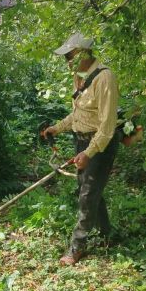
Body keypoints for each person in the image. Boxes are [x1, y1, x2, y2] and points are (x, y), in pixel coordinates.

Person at [42, 32, 120, 266]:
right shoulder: (79, 77)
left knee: (87, 194)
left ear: (83, 53)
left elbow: (107, 127)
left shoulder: (104, 78)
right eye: (66, 56)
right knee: (90, 190)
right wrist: (57, 128)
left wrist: (88, 153)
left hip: (100, 145)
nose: (67, 61)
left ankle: (77, 247)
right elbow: (79, 114)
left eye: (70, 55)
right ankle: (108, 234)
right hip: (82, 142)